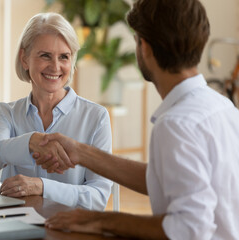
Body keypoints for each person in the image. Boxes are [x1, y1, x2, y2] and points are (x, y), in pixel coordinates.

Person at [36, 0, 239, 239]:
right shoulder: (224, 107)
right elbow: (165, 178)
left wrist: (101, 220)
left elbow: (190, 228)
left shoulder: (176, 124)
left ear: (144, 47)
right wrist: (82, 153)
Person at [0, 12, 113, 210]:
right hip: (16, 225)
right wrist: (30, 142)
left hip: (69, 230)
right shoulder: (6, 113)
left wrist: (42, 187)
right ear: (24, 59)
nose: (55, 66)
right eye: (45, 56)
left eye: (64, 57)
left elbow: (98, 197)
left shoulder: (96, 117)